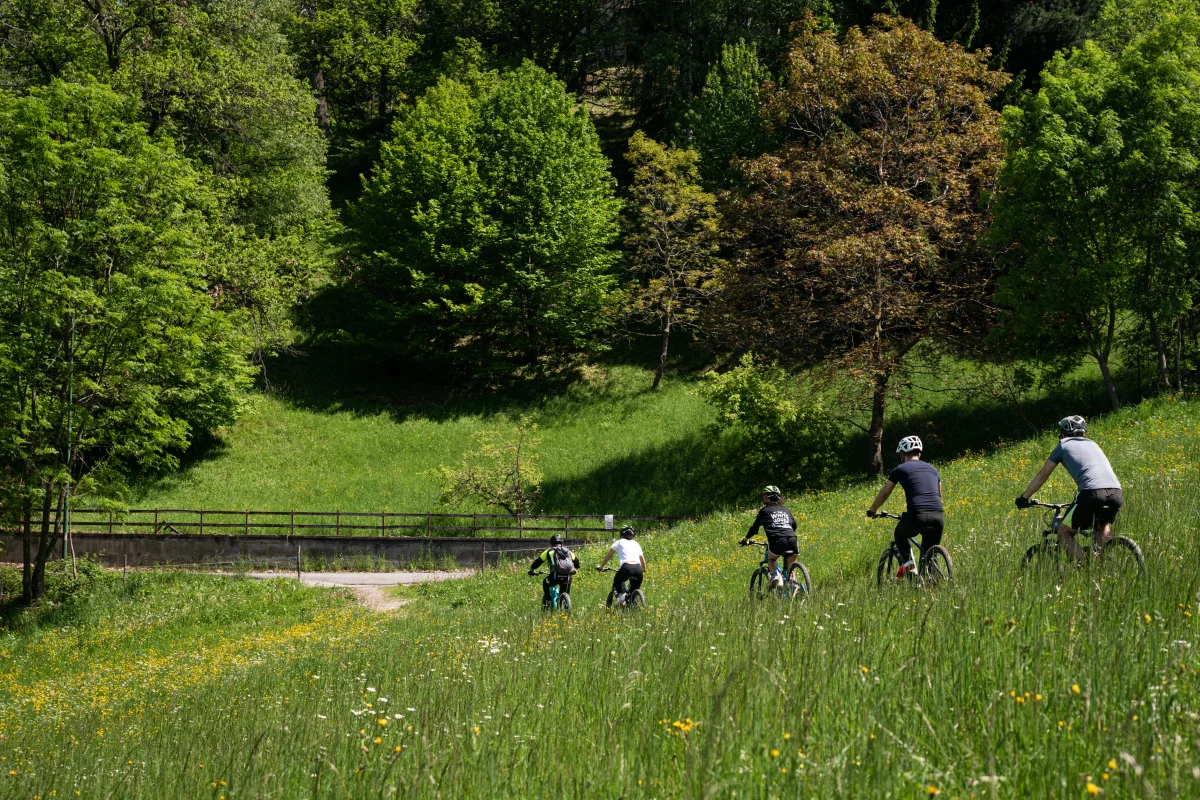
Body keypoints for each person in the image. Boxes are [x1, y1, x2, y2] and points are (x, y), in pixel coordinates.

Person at [1016, 415, 1123, 560]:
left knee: (1064, 533)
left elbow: (1042, 475)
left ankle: (1085, 568)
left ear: (1063, 434)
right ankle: (1101, 566)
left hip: (1091, 493)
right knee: (1102, 525)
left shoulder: (1063, 445)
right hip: (1116, 492)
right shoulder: (1094, 444)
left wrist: (1024, 498)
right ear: (1083, 434)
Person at [867, 435, 943, 579]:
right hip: (938, 515)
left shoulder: (899, 469)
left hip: (917, 514)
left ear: (902, 454)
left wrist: (873, 510)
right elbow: (939, 495)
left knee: (900, 535)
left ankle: (910, 566)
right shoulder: (933, 470)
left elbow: (885, 492)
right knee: (929, 555)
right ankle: (933, 582)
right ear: (919, 453)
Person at [739, 485, 798, 589]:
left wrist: (746, 539)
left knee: (771, 560)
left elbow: (754, 528)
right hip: (792, 540)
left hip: (776, 540)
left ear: (766, 497)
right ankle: (794, 584)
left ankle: (775, 576)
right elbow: (794, 526)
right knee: (791, 564)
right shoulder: (786, 510)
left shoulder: (764, 511)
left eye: (764, 496)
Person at [596, 525, 646, 605]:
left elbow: (609, 555)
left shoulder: (619, 542)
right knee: (633, 590)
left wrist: (601, 567)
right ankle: (633, 604)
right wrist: (643, 570)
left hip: (626, 568)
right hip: (638, 569)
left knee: (617, 580)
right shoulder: (636, 543)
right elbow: (642, 560)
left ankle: (621, 598)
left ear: (622, 536)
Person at [528, 533, 579, 609]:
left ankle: (548, 601)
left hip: (554, 577)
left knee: (545, 582)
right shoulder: (568, 551)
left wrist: (531, 570)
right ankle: (566, 606)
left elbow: (538, 562)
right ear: (562, 543)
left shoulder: (549, 551)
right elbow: (577, 562)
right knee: (565, 591)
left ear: (551, 543)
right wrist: (576, 569)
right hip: (567, 577)